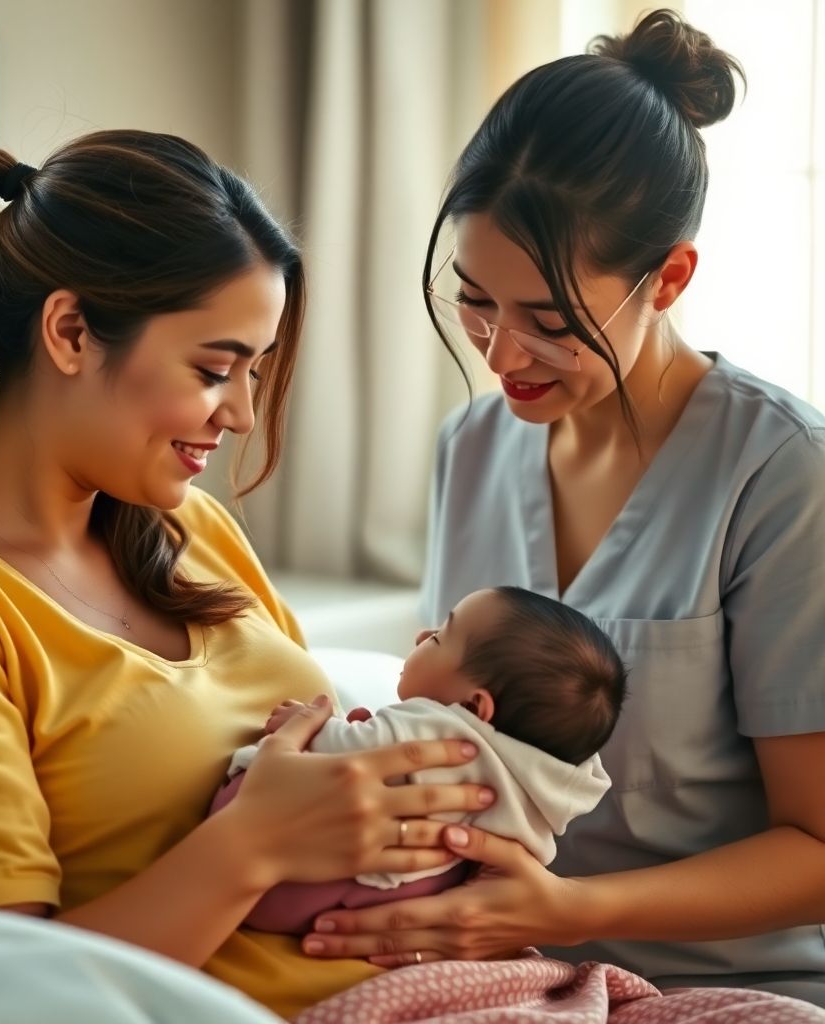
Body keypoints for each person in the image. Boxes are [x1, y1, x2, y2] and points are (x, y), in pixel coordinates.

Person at [0, 130, 494, 1022]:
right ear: (70, 331)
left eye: (256, 369)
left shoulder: (190, 529)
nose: (241, 412)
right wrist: (250, 847)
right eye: (214, 369)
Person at [291, 7, 825, 1012]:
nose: (496, 356)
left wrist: (558, 900)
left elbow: (817, 848)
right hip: (501, 970)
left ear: (666, 278)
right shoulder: (473, 448)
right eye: (474, 300)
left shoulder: (783, 478)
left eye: (548, 322)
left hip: (724, 986)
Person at [210, 585, 622, 935]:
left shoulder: (445, 730)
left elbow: (351, 751)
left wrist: (310, 724)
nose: (422, 634)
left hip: (304, 887)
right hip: (418, 893)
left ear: (474, 706)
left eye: (441, 637)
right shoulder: (539, 782)